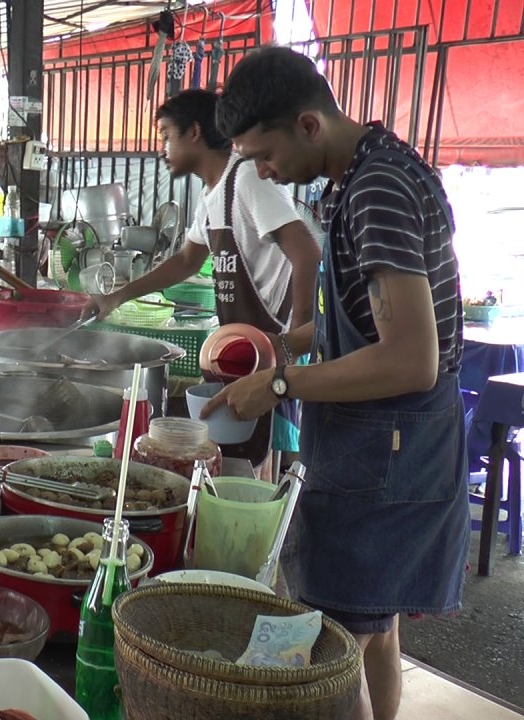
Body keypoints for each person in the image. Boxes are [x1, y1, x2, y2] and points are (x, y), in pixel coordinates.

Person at [206, 45, 468, 720]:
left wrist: (283, 386)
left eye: (265, 155)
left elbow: (412, 359)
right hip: (384, 445)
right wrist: (273, 346)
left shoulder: (376, 190)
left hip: (386, 451)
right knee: (375, 631)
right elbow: (357, 321)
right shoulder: (367, 174)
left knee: (336, 648)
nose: (264, 172)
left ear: (310, 126)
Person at [85, 88, 319, 464]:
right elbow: (186, 261)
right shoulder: (213, 196)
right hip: (246, 351)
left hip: (274, 353)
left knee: (274, 466)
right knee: (242, 459)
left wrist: (296, 339)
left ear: (194, 132)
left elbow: (307, 252)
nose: (162, 147)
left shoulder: (247, 179)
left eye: (166, 135)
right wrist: (115, 297)